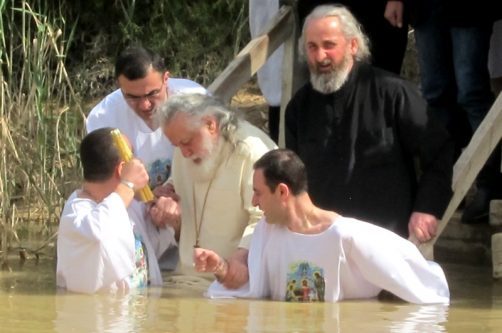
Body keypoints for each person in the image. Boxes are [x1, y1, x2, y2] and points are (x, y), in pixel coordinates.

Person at [284, 5, 454, 242]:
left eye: (329, 45)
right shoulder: (298, 109)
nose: (320, 56)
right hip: (324, 246)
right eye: (312, 47)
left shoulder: (394, 94)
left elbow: (440, 152)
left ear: (353, 45)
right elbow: (295, 182)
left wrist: (427, 208)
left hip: (387, 245)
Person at [193, 149, 450, 304]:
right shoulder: (266, 231)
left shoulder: (346, 236)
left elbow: (424, 290)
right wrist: (221, 269)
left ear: (282, 191)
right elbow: (255, 290)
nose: (253, 202)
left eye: (258, 193)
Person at [156, 93, 277, 281]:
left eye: (187, 142)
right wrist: (166, 196)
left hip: (233, 283)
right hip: (185, 278)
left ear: (210, 125)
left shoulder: (250, 151)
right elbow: (178, 182)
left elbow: (267, 216)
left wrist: (241, 256)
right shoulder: (184, 147)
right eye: (177, 145)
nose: (184, 153)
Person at [412, 1, 502, 224]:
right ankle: (442, 185)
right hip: (426, 9)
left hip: (469, 9)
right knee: (435, 94)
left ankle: (488, 187)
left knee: (471, 92)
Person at [56, 128, 176, 293]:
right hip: (106, 316)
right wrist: (128, 185)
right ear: (122, 169)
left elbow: (161, 238)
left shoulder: (130, 205)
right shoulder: (77, 211)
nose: (139, 162)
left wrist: (165, 212)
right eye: (132, 157)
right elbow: (99, 236)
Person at [86, 46, 207, 189]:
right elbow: (105, 183)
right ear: (119, 86)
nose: (145, 105)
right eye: (132, 97)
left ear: (166, 79)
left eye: (152, 93)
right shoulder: (103, 118)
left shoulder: (195, 100)